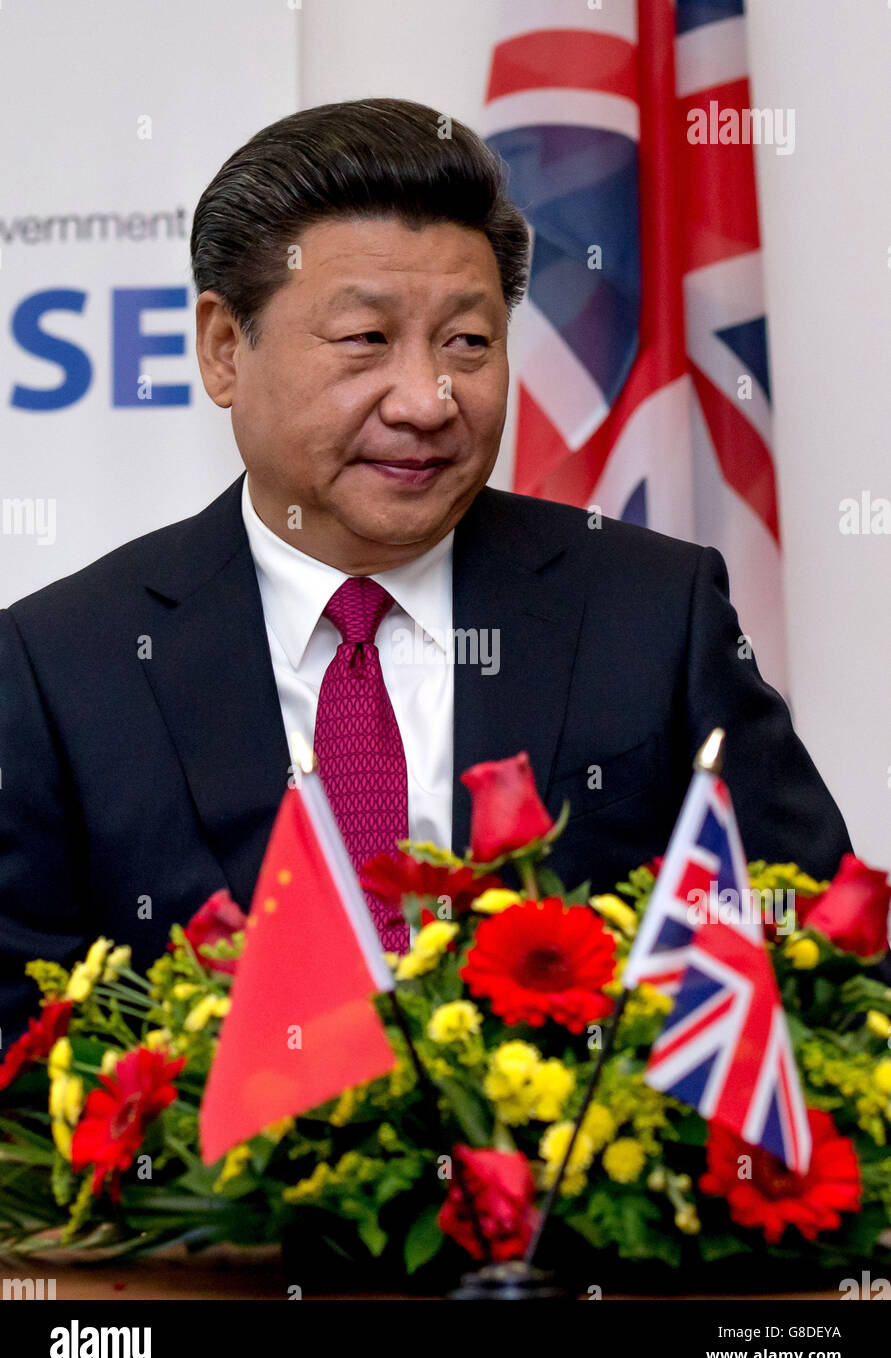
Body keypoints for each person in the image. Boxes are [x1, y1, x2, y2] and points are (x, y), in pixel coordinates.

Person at [0, 98, 851, 1038]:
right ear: (223, 347)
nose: (427, 400)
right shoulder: (61, 665)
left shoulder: (651, 609)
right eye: (366, 339)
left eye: (468, 343)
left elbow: (825, 962)